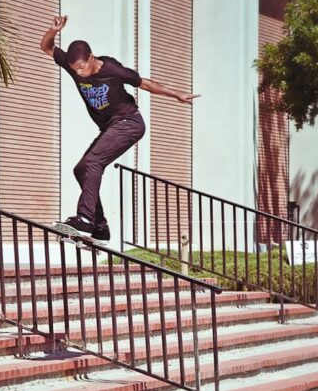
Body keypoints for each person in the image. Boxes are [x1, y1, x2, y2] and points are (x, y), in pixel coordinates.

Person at [40, 15, 200, 242]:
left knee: (93, 163)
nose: (79, 73)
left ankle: (85, 219)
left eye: (82, 68)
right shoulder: (72, 64)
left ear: (91, 58)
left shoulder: (113, 69)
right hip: (110, 128)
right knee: (81, 170)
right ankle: (100, 227)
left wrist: (176, 95)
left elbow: (144, 83)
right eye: (75, 70)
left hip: (130, 123)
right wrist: (53, 30)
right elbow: (46, 48)